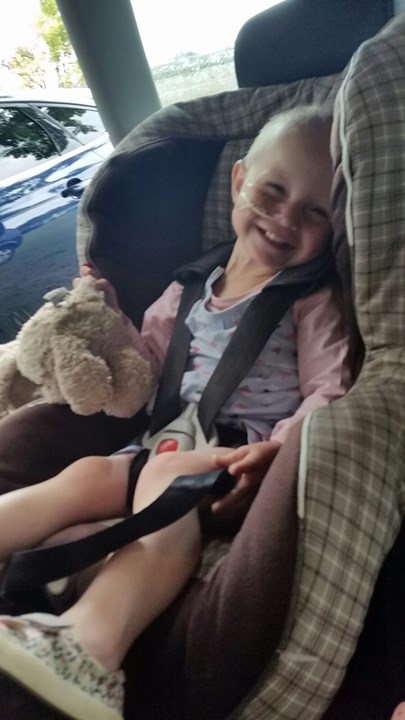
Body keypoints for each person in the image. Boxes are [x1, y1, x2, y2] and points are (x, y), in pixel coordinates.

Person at [0, 105, 352, 720]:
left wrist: (280, 450)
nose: (285, 219)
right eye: (273, 192)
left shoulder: (310, 301)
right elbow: (147, 370)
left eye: (315, 211)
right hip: (160, 442)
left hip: (235, 459)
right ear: (239, 181)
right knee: (84, 474)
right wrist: (112, 318)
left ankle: (90, 649)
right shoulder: (188, 286)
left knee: (163, 476)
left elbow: (330, 389)